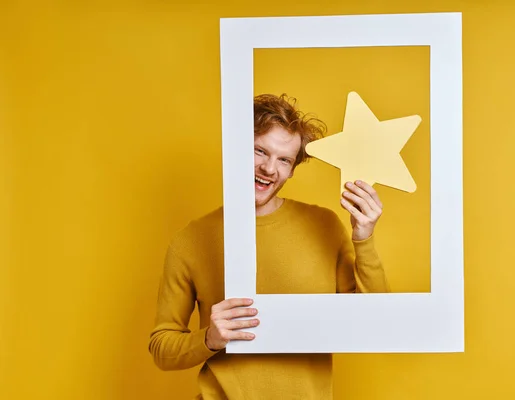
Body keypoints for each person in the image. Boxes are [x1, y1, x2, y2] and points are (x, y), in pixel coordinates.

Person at [148, 93, 391, 399]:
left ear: (292, 169)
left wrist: (364, 237)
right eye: (259, 151)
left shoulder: (325, 225)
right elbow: (161, 347)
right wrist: (209, 338)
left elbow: (378, 321)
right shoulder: (191, 239)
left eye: (284, 159)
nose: (269, 168)